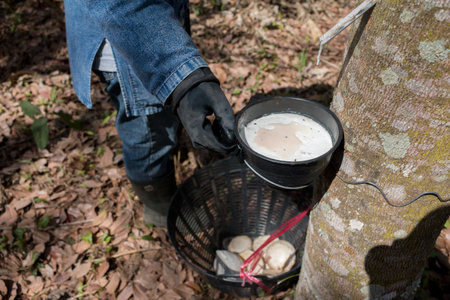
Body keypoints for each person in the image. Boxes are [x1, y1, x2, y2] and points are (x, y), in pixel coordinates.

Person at [63, 0, 236, 227]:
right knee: (149, 136)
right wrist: (182, 76)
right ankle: (159, 206)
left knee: (161, 117)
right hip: (130, 44)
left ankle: (167, 154)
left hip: (154, 28)